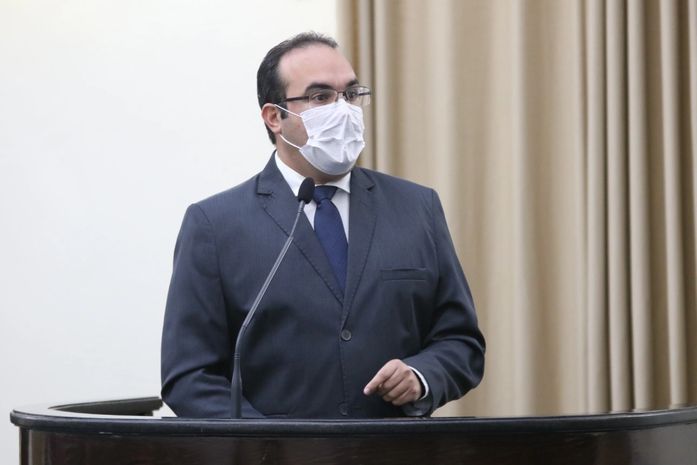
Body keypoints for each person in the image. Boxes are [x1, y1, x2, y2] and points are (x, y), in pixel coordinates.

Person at [161, 32, 485, 419]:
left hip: (396, 445)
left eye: (351, 94)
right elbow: (190, 378)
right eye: (320, 97)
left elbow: (461, 341)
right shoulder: (215, 225)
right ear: (275, 117)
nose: (343, 109)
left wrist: (422, 375)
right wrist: (269, 443)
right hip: (274, 449)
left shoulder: (417, 207)